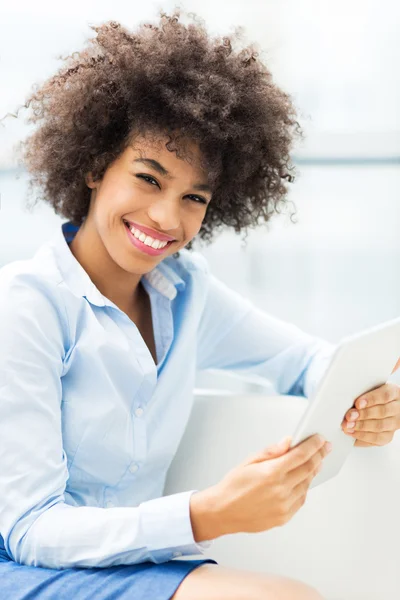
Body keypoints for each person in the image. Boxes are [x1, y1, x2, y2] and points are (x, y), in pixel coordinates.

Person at [3, 8, 399, 600]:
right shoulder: (28, 307)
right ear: (93, 166)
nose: (166, 219)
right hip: (28, 568)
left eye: (194, 196)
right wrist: (207, 514)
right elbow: (30, 529)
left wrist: (366, 401)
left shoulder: (187, 294)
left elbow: (308, 362)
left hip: (139, 564)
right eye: (148, 178)